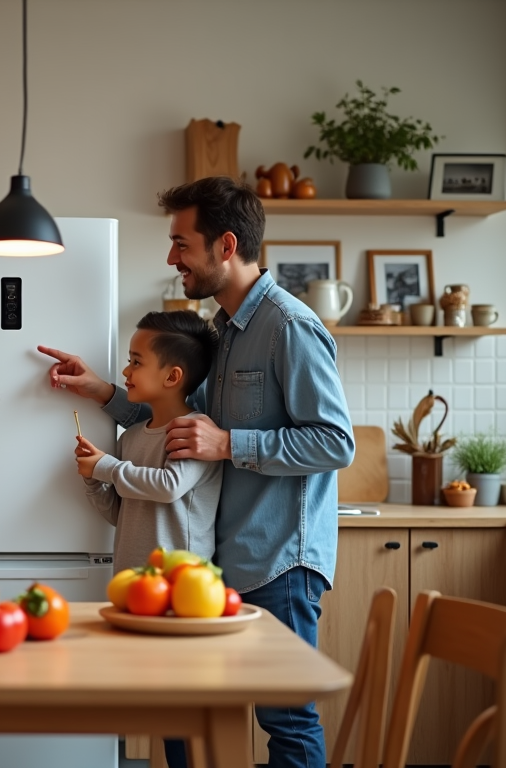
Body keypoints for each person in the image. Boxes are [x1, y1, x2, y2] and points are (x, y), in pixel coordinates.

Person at [39, 176, 354, 768]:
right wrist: (104, 389)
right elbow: (181, 419)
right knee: (193, 708)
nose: (171, 257)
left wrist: (230, 442)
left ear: (226, 246)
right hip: (225, 557)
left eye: (181, 243)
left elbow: (335, 443)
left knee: (286, 719)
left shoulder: (289, 327)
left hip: (282, 557)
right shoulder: (225, 331)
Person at [75, 310, 222, 573]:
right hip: (133, 579)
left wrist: (104, 467)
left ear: (172, 377)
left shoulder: (196, 431)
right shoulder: (131, 436)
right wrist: (94, 480)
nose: (125, 370)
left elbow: (168, 486)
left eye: (137, 362)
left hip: (183, 584)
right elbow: (118, 514)